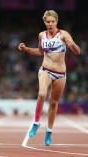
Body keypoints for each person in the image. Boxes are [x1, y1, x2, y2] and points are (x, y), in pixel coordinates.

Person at [18, 10, 80, 146]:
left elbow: (77, 51)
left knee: (53, 103)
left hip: (60, 74)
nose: (50, 24)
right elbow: (40, 52)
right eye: (48, 21)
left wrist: (72, 45)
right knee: (41, 94)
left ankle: (49, 132)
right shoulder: (41, 35)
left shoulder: (63, 34)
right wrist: (26, 49)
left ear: (56, 21)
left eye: (53, 21)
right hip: (45, 70)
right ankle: (36, 123)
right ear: (44, 22)